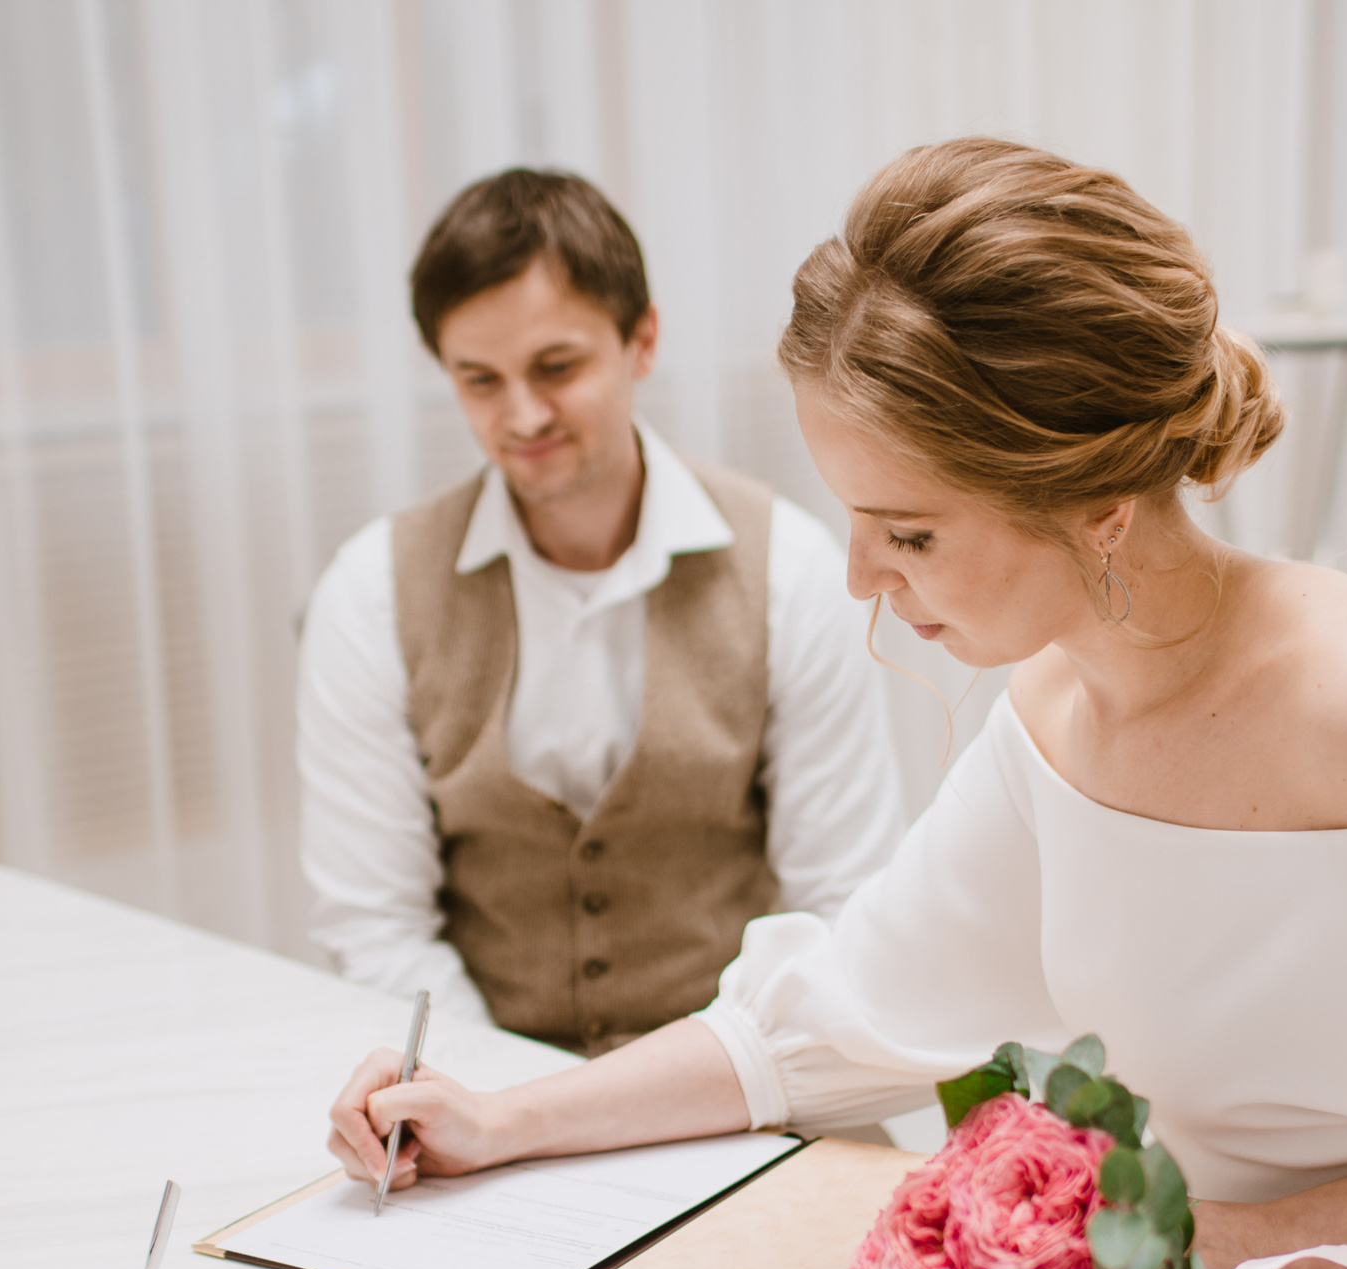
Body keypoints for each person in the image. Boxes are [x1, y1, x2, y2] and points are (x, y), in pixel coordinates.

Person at [323, 139, 1347, 1269]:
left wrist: (1205, 1240)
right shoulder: (1057, 708)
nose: (857, 577)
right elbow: (831, 1017)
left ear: (1098, 504)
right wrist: (505, 1121)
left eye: (910, 532)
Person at [299, 168, 904, 1055]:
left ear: (642, 339)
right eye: (480, 381)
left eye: (557, 366)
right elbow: (376, 928)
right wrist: (509, 1111)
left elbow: (842, 905)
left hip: (746, 1089)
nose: (524, 414)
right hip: (487, 1098)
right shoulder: (369, 591)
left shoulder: (792, 571)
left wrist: (710, 1087)